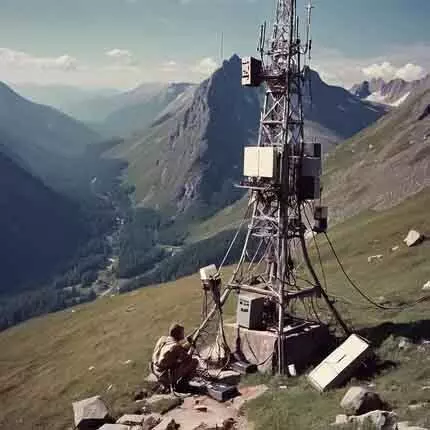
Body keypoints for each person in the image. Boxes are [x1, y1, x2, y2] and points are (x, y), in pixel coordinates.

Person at [151, 323, 199, 390]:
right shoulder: (175, 347)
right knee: (194, 362)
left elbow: (176, 349)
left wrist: (187, 343)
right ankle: (182, 385)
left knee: (177, 362)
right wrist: (192, 348)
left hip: (156, 370)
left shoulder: (162, 339)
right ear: (178, 334)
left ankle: (165, 382)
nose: (183, 335)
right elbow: (187, 358)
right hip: (165, 375)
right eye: (182, 333)